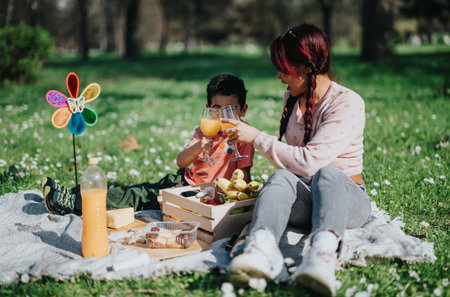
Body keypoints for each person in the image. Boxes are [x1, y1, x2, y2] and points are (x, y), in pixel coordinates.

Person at [224, 24, 371, 297]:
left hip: (346, 199)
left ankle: (322, 256)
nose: (279, 76)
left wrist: (257, 137)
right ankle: (260, 247)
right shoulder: (292, 98)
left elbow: (309, 163)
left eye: (283, 67)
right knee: (280, 178)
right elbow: (292, 168)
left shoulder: (347, 103)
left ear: (306, 66)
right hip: (306, 197)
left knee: (327, 174)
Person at [42, 74, 255, 216]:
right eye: (217, 109)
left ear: (243, 110)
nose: (223, 116)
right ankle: (74, 195)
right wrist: (200, 146)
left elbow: (243, 178)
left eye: (231, 110)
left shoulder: (244, 137)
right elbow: (181, 161)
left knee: (139, 196)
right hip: (184, 181)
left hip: (202, 195)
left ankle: (79, 202)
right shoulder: (205, 130)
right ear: (208, 108)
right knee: (138, 190)